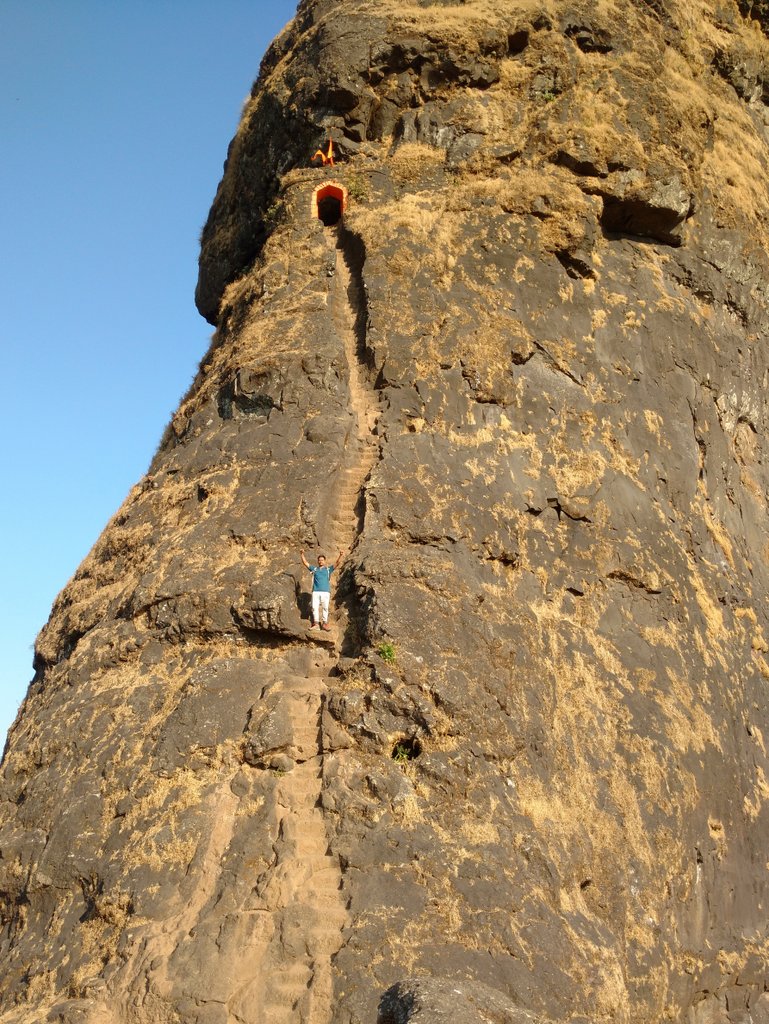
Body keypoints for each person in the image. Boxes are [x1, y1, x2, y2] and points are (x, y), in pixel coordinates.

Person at [300, 548, 343, 630]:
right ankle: (316, 624)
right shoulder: (314, 569)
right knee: (314, 607)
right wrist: (302, 554)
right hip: (316, 591)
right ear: (318, 561)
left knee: (325, 608)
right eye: (319, 560)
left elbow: (337, 563)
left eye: (322, 560)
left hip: (326, 592)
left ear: (325, 561)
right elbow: (305, 563)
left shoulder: (328, 570)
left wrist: (340, 555)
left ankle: (324, 624)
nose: (320, 561)